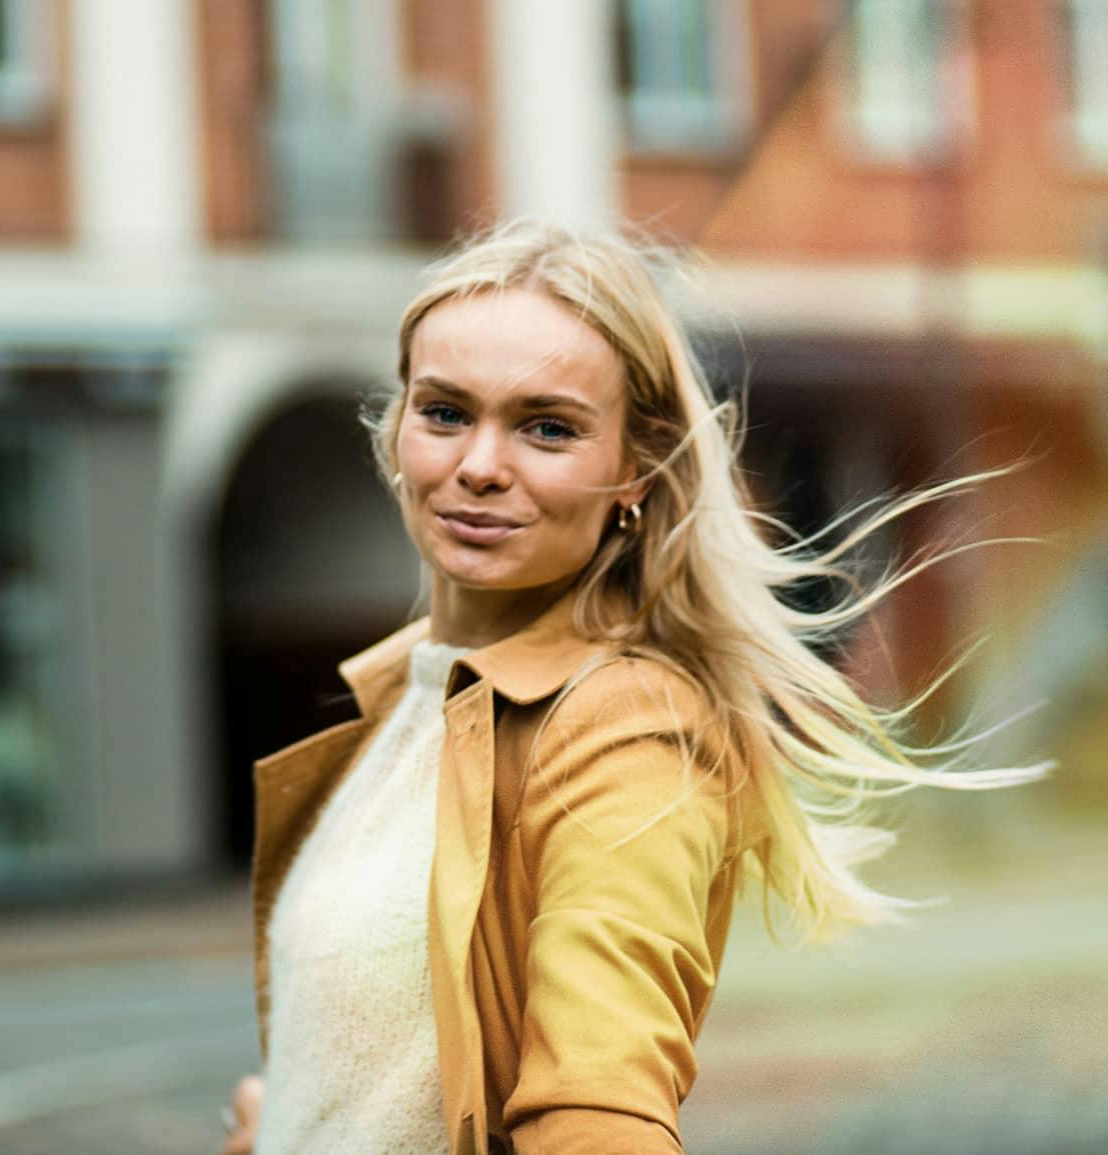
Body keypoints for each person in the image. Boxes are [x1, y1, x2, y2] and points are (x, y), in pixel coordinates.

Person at [221, 221, 1043, 1155]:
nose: (480, 464)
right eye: (446, 411)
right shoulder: (410, 696)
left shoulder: (625, 730)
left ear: (636, 471)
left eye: (547, 427)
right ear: (395, 427)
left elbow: (598, 1118)